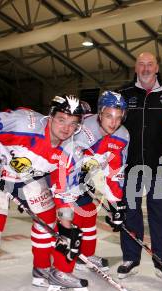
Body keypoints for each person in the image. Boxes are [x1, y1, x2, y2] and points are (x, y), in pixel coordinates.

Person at [0, 95, 88, 291]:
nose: (66, 128)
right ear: (50, 117)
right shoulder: (23, 123)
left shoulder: (71, 151)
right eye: (61, 120)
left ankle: (42, 270)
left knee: (48, 221)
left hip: (28, 176)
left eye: (73, 123)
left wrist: (67, 227)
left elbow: (63, 190)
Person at [50, 91, 129, 281]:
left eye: (119, 117)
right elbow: (64, 162)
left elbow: (115, 172)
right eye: (109, 115)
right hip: (61, 175)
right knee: (67, 221)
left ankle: (84, 256)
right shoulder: (84, 130)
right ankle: (59, 268)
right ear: (100, 114)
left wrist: (116, 204)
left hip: (81, 179)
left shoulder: (123, 135)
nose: (113, 122)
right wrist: (76, 182)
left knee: (89, 212)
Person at [116, 52, 162, 278]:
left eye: (149, 64)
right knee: (130, 213)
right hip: (131, 164)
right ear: (135, 67)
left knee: (160, 214)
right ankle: (131, 258)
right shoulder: (123, 93)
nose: (145, 68)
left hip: (159, 165)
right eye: (141, 65)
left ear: (157, 67)